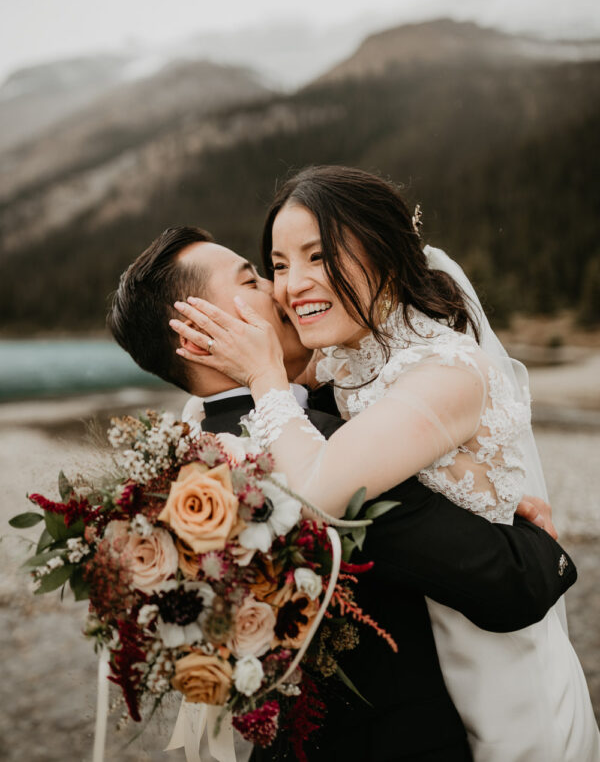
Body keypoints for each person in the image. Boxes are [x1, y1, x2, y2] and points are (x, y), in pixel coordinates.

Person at [171, 167, 600, 762]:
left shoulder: (447, 369)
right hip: (429, 657)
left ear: (385, 253)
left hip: (492, 660)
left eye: (319, 256)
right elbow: (258, 408)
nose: (291, 286)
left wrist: (263, 375)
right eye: (278, 265)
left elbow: (320, 489)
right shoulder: (340, 356)